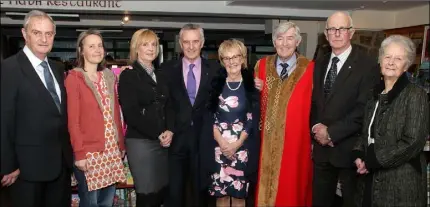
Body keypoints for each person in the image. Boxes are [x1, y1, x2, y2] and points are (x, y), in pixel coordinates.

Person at [1, 10, 73, 207]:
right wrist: (8, 165)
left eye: (49, 33)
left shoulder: (57, 68)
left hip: (60, 166)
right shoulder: (9, 69)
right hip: (26, 169)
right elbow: (4, 119)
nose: (44, 39)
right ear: (25, 34)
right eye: (37, 32)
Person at [310, 11, 380, 207]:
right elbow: (314, 102)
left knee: (352, 202)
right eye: (332, 29)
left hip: (350, 151)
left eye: (342, 29)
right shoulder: (320, 63)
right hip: (322, 152)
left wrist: (332, 133)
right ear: (326, 33)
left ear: (352, 32)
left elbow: (364, 108)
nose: (337, 33)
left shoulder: (367, 65)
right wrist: (316, 127)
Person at [352, 35, 429, 207]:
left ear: (407, 65)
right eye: (387, 56)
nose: (391, 62)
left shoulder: (416, 95)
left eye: (398, 58)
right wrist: (358, 154)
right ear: (380, 59)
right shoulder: (374, 94)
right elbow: (365, 131)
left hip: (401, 182)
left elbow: (413, 141)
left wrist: (373, 160)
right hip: (370, 177)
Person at [253, 21, 314, 207]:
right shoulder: (261, 66)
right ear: (274, 42)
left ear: (298, 42)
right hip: (264, 141)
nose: (285, 43)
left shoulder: (310, 69)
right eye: (280, 38)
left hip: (297, 143)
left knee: (292, 189)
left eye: (290, 38)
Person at [160, 23, 221, 207]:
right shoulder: (166, 69)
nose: (191, 46)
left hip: (205, 140)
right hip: (176, 140)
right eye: (186, 42)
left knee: (201, 195)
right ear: (180, 43)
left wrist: (254, 84)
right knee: (174, 194)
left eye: (195, 41)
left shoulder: (216, 69)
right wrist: (165, 129)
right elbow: (163, 104)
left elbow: (228, 95)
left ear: (202, 43)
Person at [65, 29, 126, 207]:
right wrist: (79, 154)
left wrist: (120, 144)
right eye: (91, 46)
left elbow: (115, 113)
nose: (97, 50)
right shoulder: (74, 78)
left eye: (100, 45)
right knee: (90, 203)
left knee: (107, 203)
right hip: (89, 152)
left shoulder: (107, 76)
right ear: (81, 50)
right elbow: (73, 121)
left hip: (111, 151)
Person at [200, 39, 260, 207]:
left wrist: (237, 144)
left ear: (243, 58)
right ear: (221, 60)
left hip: (242, 148)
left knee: (239, 197)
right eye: (226, 58)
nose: (231, 61)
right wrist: (222, 142)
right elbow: (210, 117)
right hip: (219, 147)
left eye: (235, 57)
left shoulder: (251, 85)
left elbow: (252, 119)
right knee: (221, 196)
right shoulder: (214, 85)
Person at [118, 29, 174, 207]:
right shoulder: (129, 75)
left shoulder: (162, 75)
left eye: (153, 44)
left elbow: (170, 106)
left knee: (160, 192)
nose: (150, 48)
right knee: (147, 194)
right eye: (145, 44)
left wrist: (170, 130)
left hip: (163, 142)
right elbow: (131, 114)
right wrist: (158, 132)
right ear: (136, 48)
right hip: (141, 142)